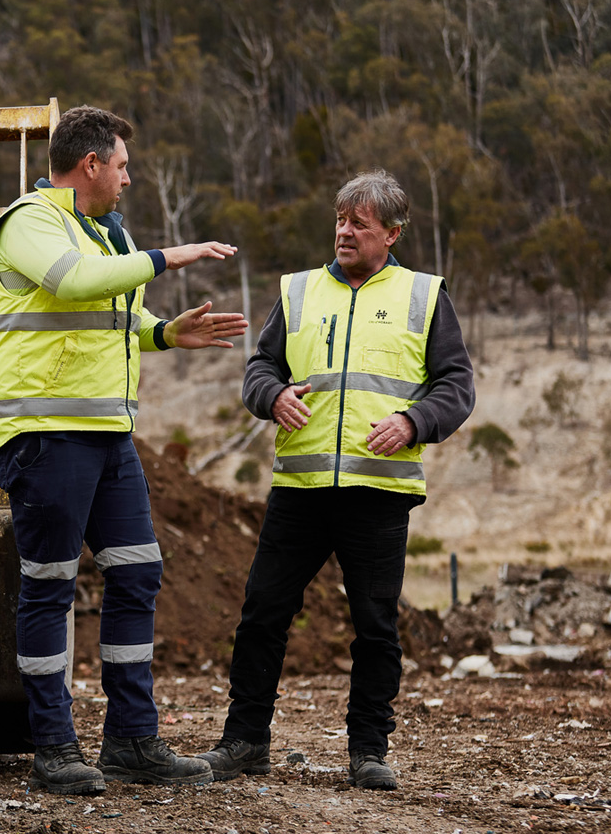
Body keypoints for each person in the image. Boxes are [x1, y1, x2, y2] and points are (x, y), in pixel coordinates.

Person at [0, 105, 248, 794]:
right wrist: (168, 256)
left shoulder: (105, 233)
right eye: (123, 165)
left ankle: (132, 741)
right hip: (46, 435)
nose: (130, 178)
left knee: (138, 571)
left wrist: (164, 334)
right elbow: (71, 283)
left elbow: (115, 316)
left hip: (108, 437)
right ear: (91, 164)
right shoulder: (30, 221)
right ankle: (54, 749)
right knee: (49, 585)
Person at [197, 170, 475, 790]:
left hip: (379, 493)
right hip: (299, 489)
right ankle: (244, 742)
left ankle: (368, 751)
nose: (345, 233)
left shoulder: (424, 295)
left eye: (361, 224)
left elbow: (456, 385)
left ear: (393, 234)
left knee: (375, 625)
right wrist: (271, 397)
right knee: (263, 613)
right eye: (341, 221)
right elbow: (260, 367)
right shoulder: (298, 292)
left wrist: (413, 421)